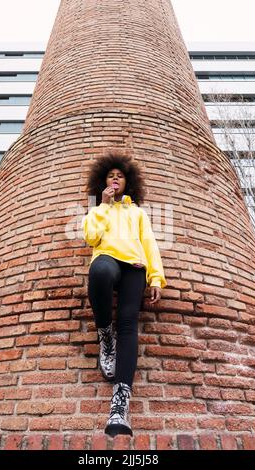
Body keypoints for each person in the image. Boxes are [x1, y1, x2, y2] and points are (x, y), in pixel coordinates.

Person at [81, 151, 167, 438]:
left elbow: (150, 244)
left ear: (127, 183)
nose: (115, 179)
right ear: (103, 182)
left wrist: (156, 276)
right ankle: (106, 337)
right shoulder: (97, 209)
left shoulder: (138, 212)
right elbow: (91, 237)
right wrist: (103, 206)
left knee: (129, 322)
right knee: (100, 272)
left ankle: (120, 406)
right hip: (107, 258)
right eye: (110, 175)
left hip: (135, 266)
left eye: (120, 176)